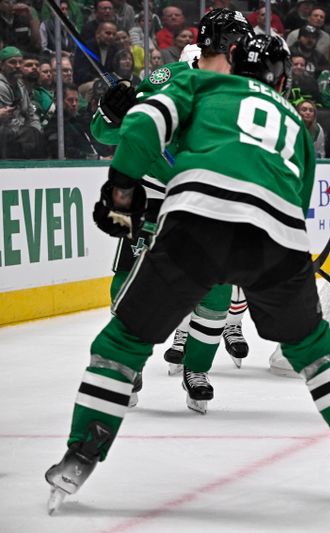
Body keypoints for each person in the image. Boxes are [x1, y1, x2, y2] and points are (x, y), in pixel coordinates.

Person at [44, 32, 330, 513]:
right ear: (281, 77)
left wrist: (122, 190)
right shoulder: (295, 120)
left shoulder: (201, 84)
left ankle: (81, 453)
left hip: (198, 221)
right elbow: (300, 198)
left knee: (122, 341)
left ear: (230, 63)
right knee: (312, 345)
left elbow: (143, 121)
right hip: (278, 236)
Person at [90, 9, 255, 410]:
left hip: (205, 207)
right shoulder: (167, 80)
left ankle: (196, 368)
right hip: (152, 201)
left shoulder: (247, 93)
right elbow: (106, 133)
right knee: (128, 285)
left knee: (215, 295)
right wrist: (111, 112)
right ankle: (128, 368)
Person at [0, 45, 44, 158]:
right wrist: (28, 132)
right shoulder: (1, 86)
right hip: (7, 133)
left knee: (37, 133)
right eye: (13, 62)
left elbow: (30, 112)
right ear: (1, 65)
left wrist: (36, 129)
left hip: (23, 132)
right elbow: (8, 119)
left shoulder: (20, 84)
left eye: (20, 62)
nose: (18, 66)